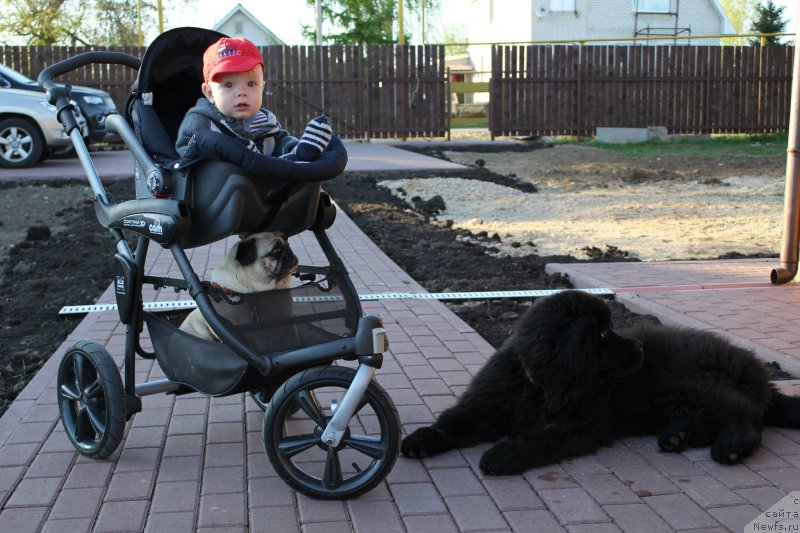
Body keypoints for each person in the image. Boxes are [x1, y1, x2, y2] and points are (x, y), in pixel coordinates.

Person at [175, 36, 331, 162]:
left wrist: (293, 148)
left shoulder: (265, 121)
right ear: (209, 93)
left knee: (287, 150)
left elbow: (281, 140)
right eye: (229, 85)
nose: (242, 92)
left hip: (266, 188)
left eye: (251, 84)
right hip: (220, 191)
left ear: (262, 88)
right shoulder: (201, 120)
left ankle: (303, 152)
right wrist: (227, 152)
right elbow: (185, 150)